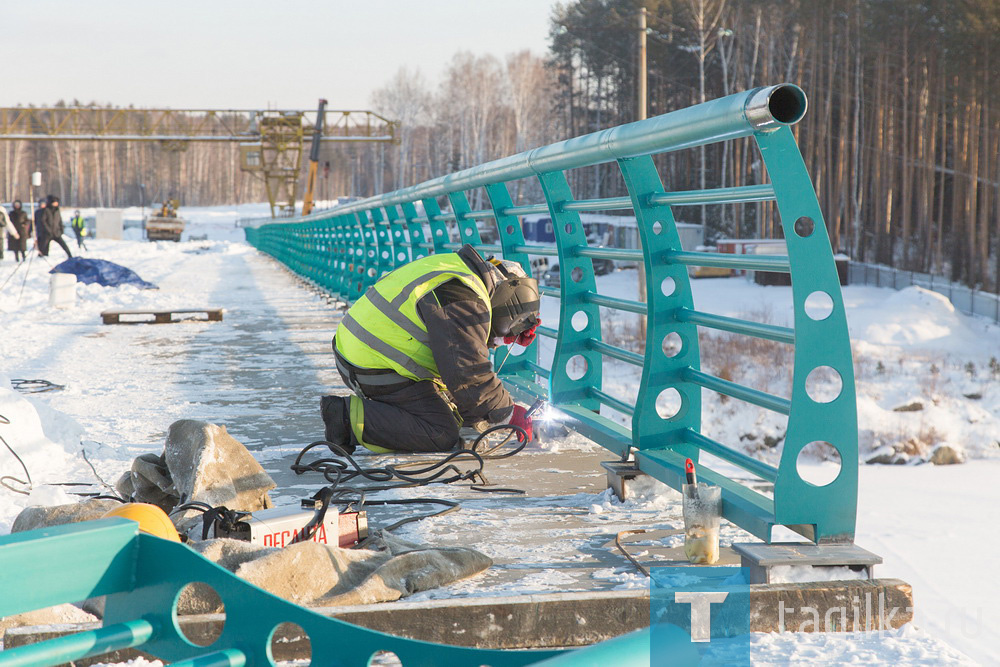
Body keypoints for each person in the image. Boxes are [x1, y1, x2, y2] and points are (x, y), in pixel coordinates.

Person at [322, 244, 541, 454]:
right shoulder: (463, 297)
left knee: (465, 406)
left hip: (358, 351)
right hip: (374, 366)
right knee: (441, 431)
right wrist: (509, 414)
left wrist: (502, 339)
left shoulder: (455, 272)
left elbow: (453, 338)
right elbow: (467, 371)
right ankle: (345, 419)